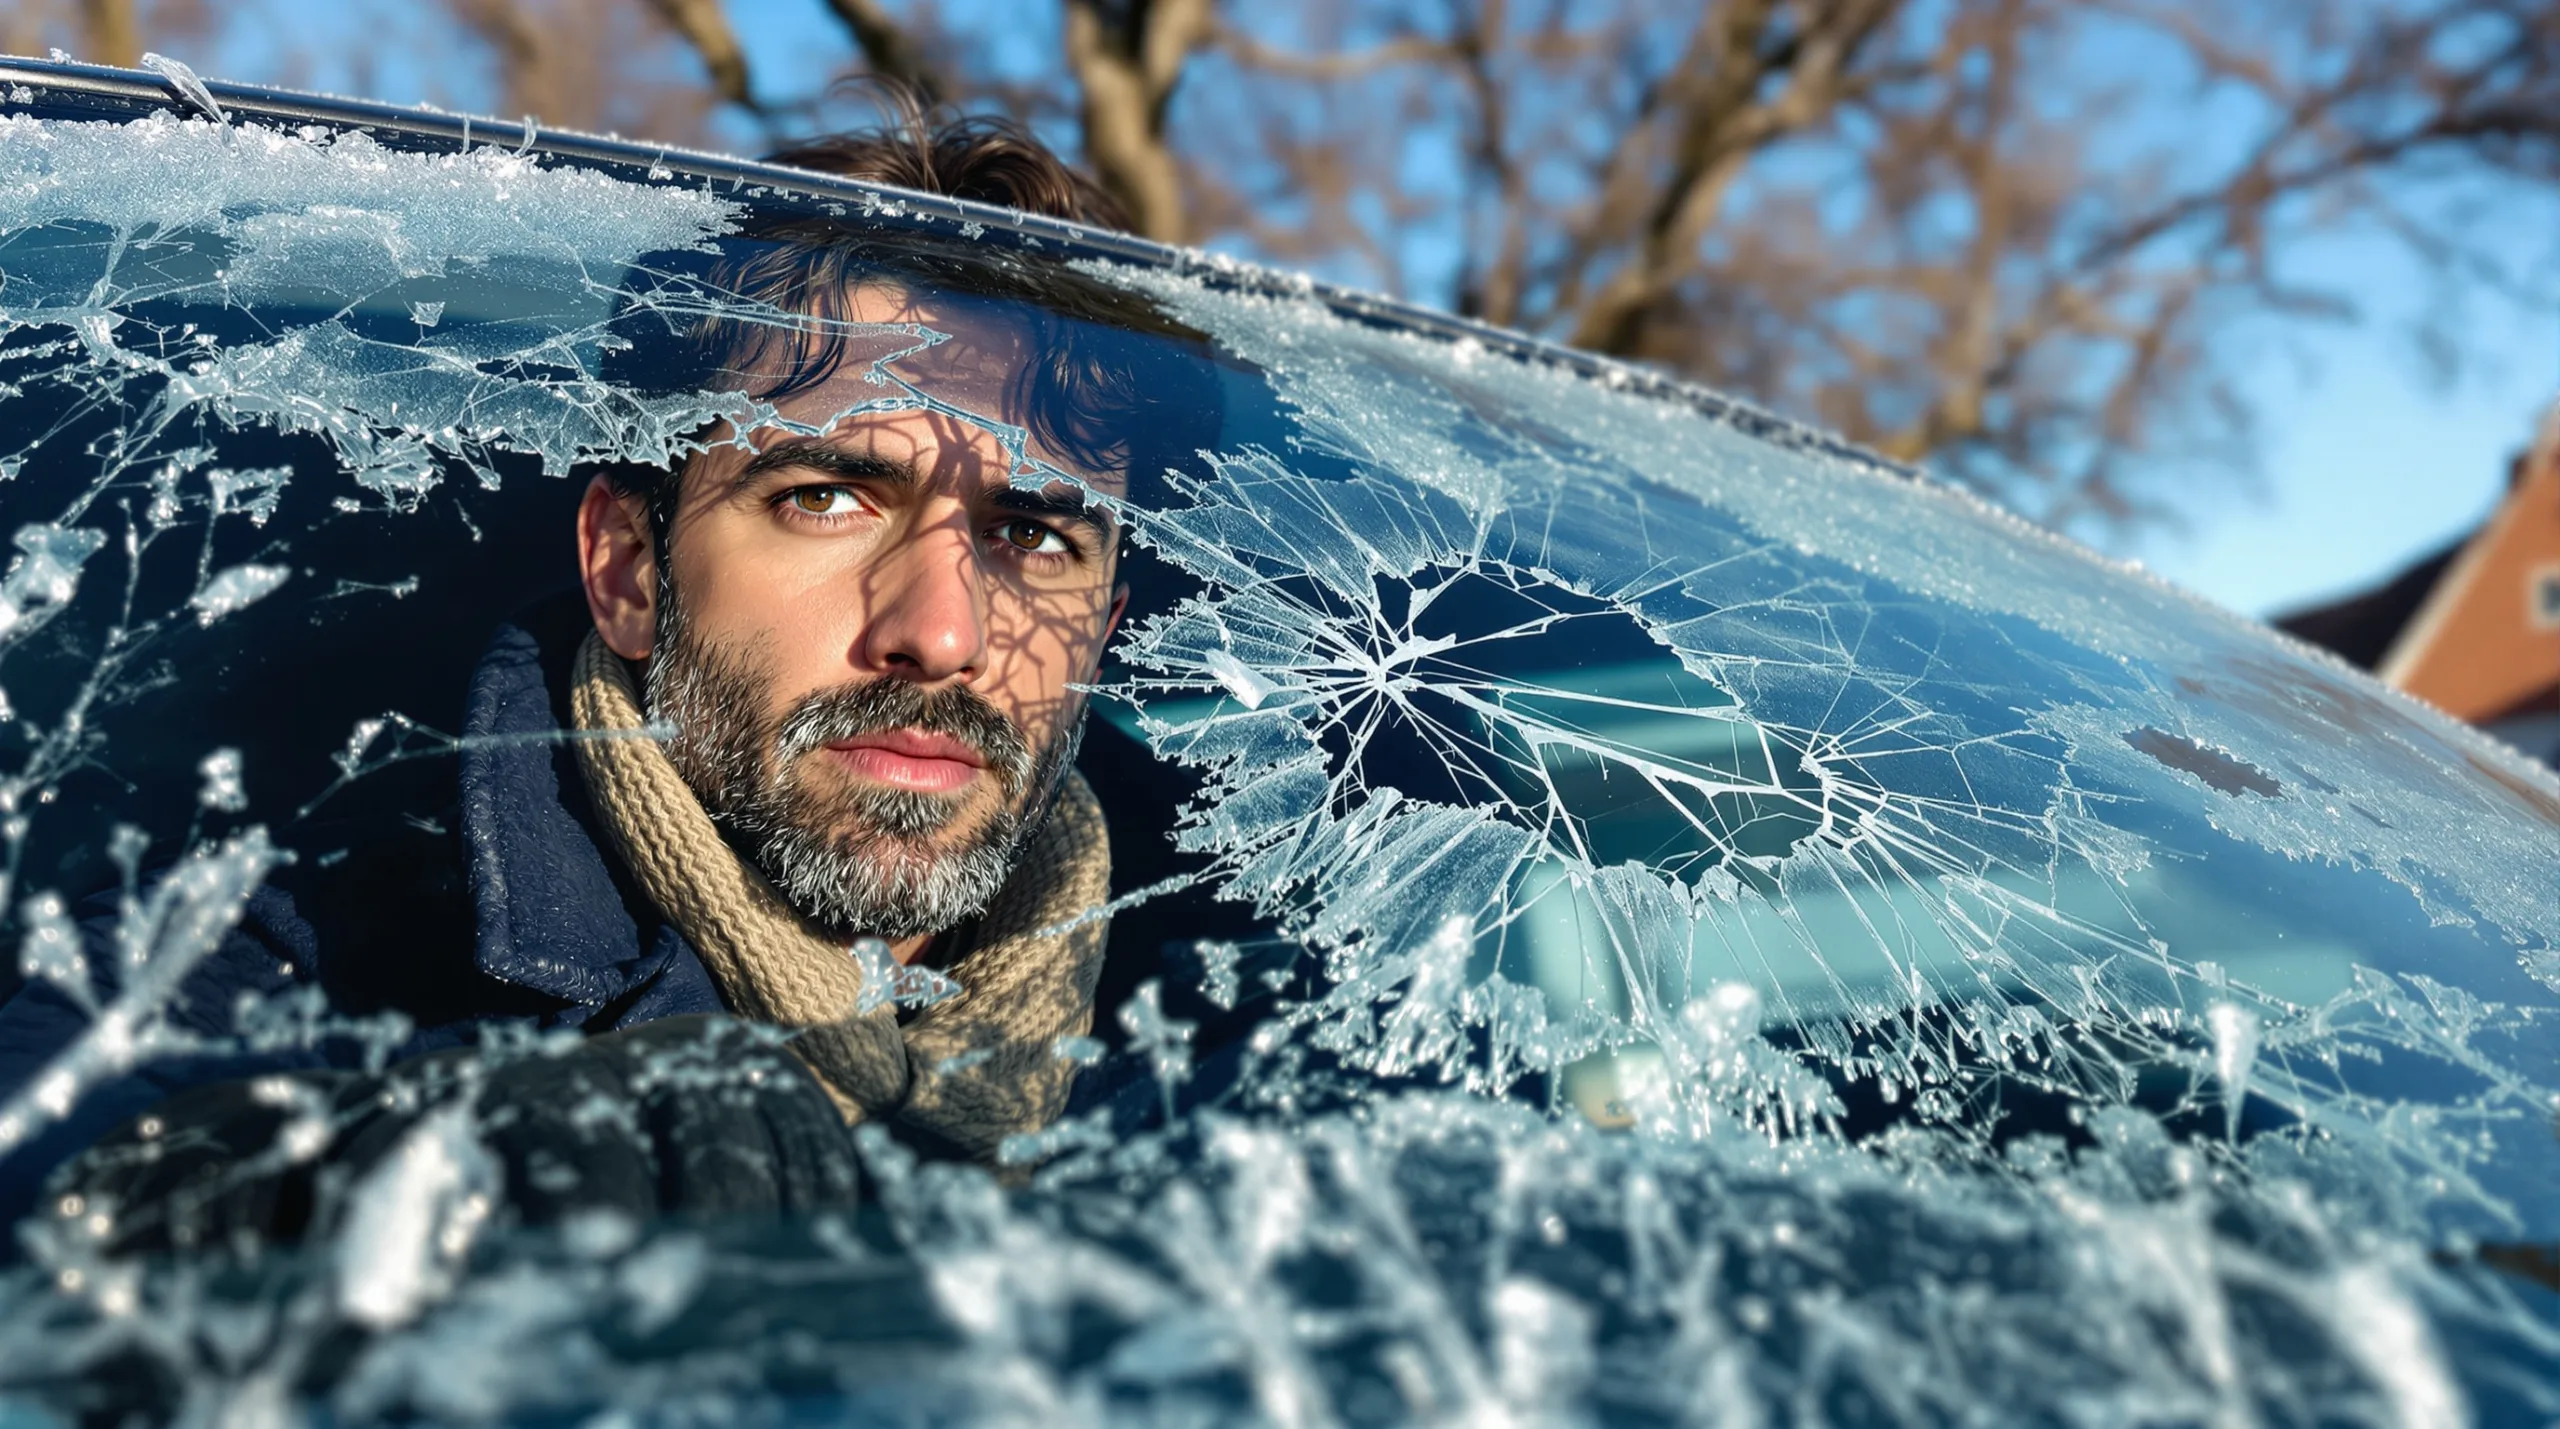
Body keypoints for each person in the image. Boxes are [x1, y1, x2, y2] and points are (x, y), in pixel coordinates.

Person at [0, 97, 1222, 1251]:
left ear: (1103, 627)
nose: (944, 633)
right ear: (630, 568)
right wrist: (358, 1183)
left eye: (1034, 536)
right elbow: (48, 1172)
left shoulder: (1252, 1034)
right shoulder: (293, 956)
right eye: (827, 495)